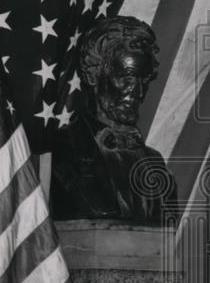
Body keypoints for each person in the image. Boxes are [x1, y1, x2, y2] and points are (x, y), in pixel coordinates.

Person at [50, 15, 177, 222]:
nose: (136, 91)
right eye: (126, 77)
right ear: (93, 75)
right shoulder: (61, 151)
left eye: (143, 79)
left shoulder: (155, 164)